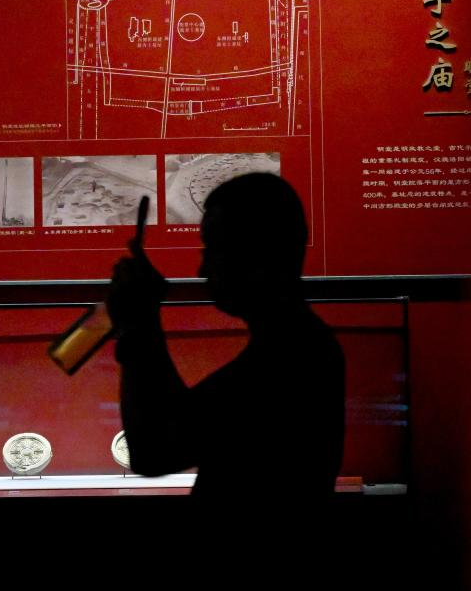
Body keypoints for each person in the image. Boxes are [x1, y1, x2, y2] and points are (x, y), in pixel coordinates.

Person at [107, 172, 345, 497]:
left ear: (258, 255)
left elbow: (155, 448)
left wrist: (139, 323)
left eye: (215, 248)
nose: (203, 269)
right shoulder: (304, 349)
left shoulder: (290, 361)